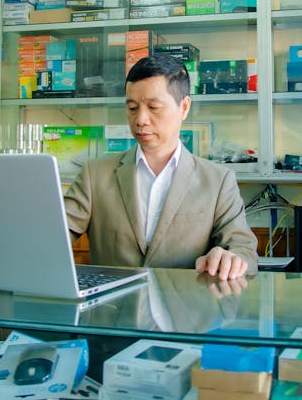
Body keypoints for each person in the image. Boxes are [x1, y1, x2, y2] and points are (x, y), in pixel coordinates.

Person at [63, 54, 258, 280]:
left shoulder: (218, 180)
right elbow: (54, 235)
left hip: (184, 309)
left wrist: (231, 259)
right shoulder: (94, 174)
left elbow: (244, 251)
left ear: (184, 107)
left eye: (154, 107)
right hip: (114, 311)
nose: (140, 120)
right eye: (132, 108)